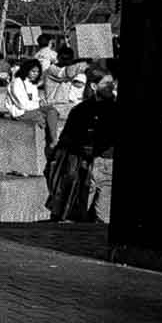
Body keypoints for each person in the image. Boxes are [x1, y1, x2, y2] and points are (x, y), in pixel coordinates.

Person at [44, 67, 117, 221]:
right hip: (84, 167)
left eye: (112, 83)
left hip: (108, 165)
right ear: (94, 86)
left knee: (104, 216)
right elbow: (67, 136)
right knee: (78, 214)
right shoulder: (81, 110)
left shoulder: (115, 109)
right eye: (107, 83)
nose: (112, 87)